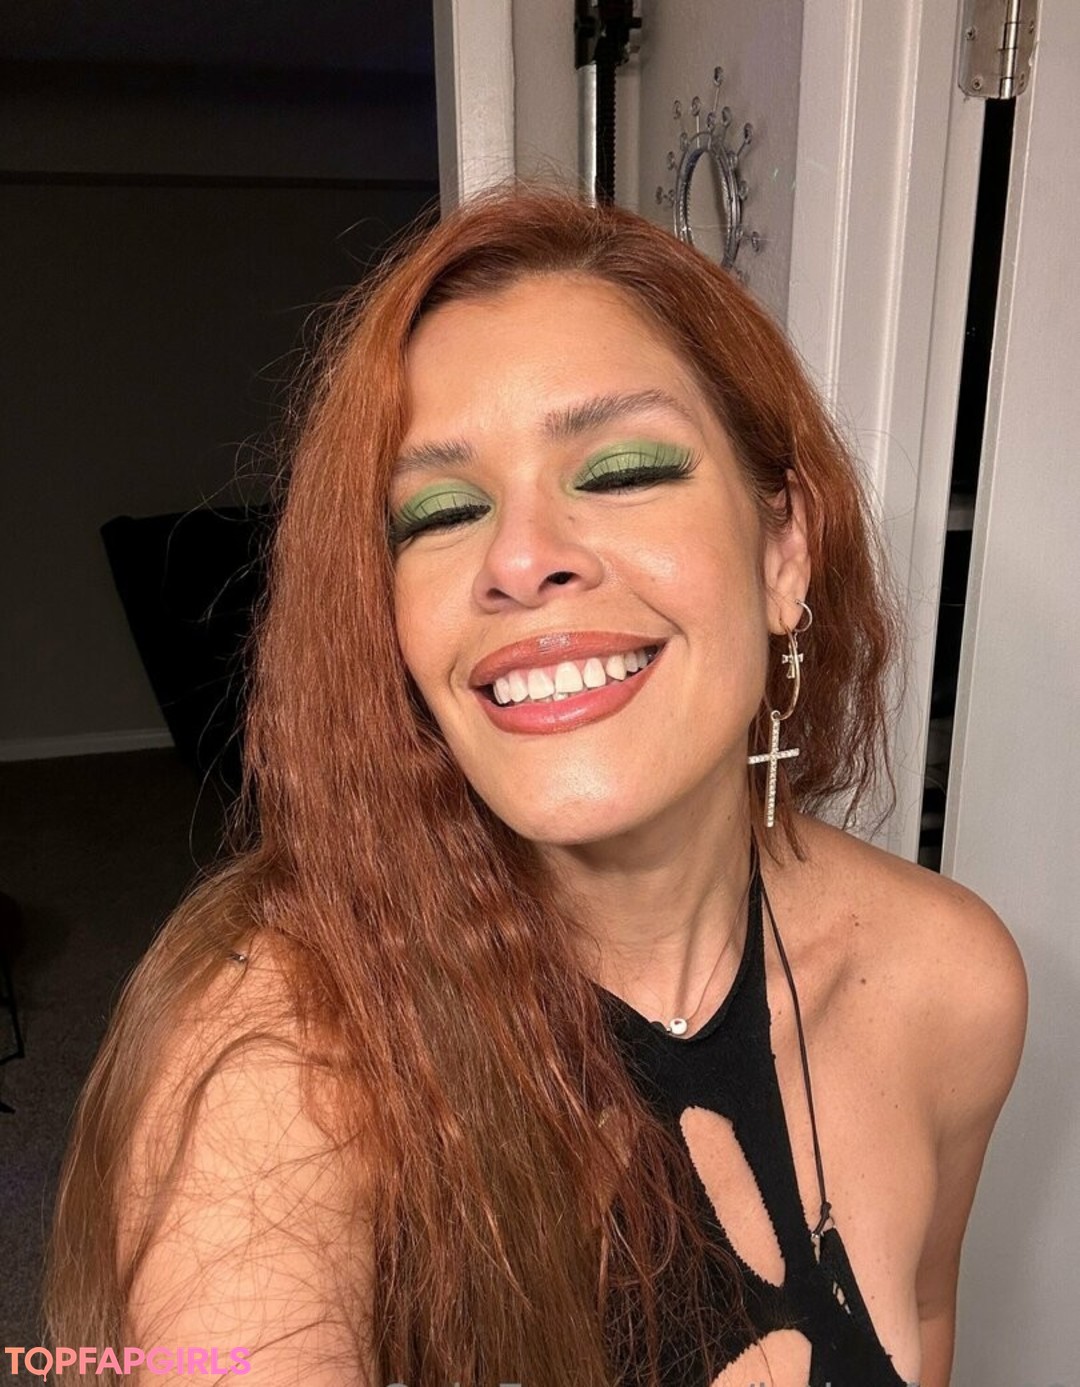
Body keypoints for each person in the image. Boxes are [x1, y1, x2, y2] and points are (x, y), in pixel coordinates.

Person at [45, 186, 1027, 1387]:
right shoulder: (281, 1054)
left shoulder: (949, 982)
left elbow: (924, 1320)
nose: (517, 558)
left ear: (784, 550)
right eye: (440, 512)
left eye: (621, 471)